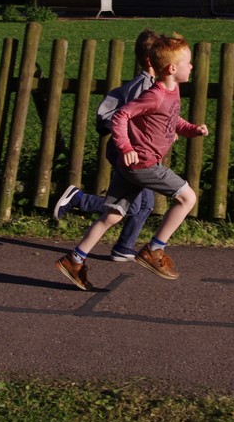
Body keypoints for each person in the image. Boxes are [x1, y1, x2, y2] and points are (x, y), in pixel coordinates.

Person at [55, 33, 208, 290]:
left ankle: (74, 260)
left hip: (133, 167)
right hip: (143, 164)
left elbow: (172, 119)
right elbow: (121, 116)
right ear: (172, 69)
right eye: (187, 62)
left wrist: (192, 129)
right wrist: (126, 147)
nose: (191, 66)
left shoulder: (172, 91)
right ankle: (154, 250)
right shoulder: (155, 95)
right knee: (187, 198)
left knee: (113, 215)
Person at [52, 28, 159, 262]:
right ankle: (79, 199)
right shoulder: (143, 87)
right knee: (130, 206)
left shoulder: (147, 84)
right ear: (151, 60)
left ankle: (124, 247)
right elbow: (132, 118)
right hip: (130, 152)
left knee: (145, 204)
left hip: (135, 152)